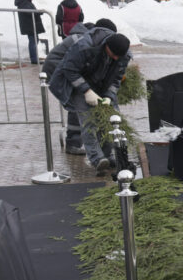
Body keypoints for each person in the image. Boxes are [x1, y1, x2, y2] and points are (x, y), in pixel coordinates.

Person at [48, 29, 131, 176]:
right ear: (107, 46)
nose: (116, 58)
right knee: (89, 122)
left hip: (102, 86)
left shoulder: (123, 56)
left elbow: (117, 78)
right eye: (113, 55)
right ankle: (96, 159)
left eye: (119, 56)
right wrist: (86, 91)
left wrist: (109, 96)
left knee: (110, 120)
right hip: (79, 84)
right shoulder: (85, 47)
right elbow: (69, 69)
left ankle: (107, 155)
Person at [43, 18, 117, 154]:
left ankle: (78, 141)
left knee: (82, 99)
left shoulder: (93, 38)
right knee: (78, 103)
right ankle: (73, 143)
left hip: (67, 69)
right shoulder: (84, 41)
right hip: (57, 70)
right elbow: (75, 68)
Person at [14, 0, 44, 64]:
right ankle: (34, 59)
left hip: (30, 24)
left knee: (34, 40)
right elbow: (29, 12)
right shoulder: (25, 2)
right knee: (33, 41)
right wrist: (39, 12)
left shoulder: (25, 2)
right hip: (30, 25)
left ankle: (34, 58)